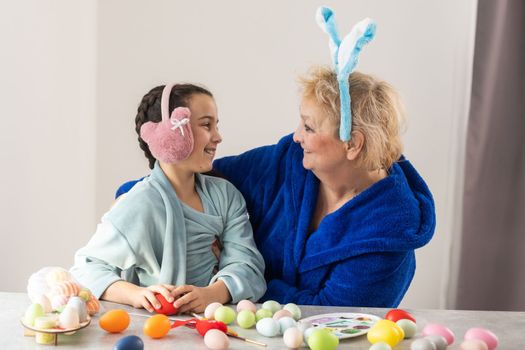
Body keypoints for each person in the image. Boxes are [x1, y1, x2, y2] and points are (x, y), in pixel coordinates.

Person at [212, 67, 436, 306]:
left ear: (352, 144)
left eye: (308, 128)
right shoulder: (289, 160)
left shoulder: (387, 236)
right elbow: (206, 176)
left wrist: (242, 279)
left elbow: (329, 317)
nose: (297, 136)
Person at [71, 83, 266, 314]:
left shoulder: (225, 196)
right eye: (206, 125)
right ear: (172, 134)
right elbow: (86, 268)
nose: (218, 137)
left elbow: (248, 265)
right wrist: (136, 294)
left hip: (218, 321)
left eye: (216, 126)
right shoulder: (138, 204)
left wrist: (211, 294)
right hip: (159, 326)